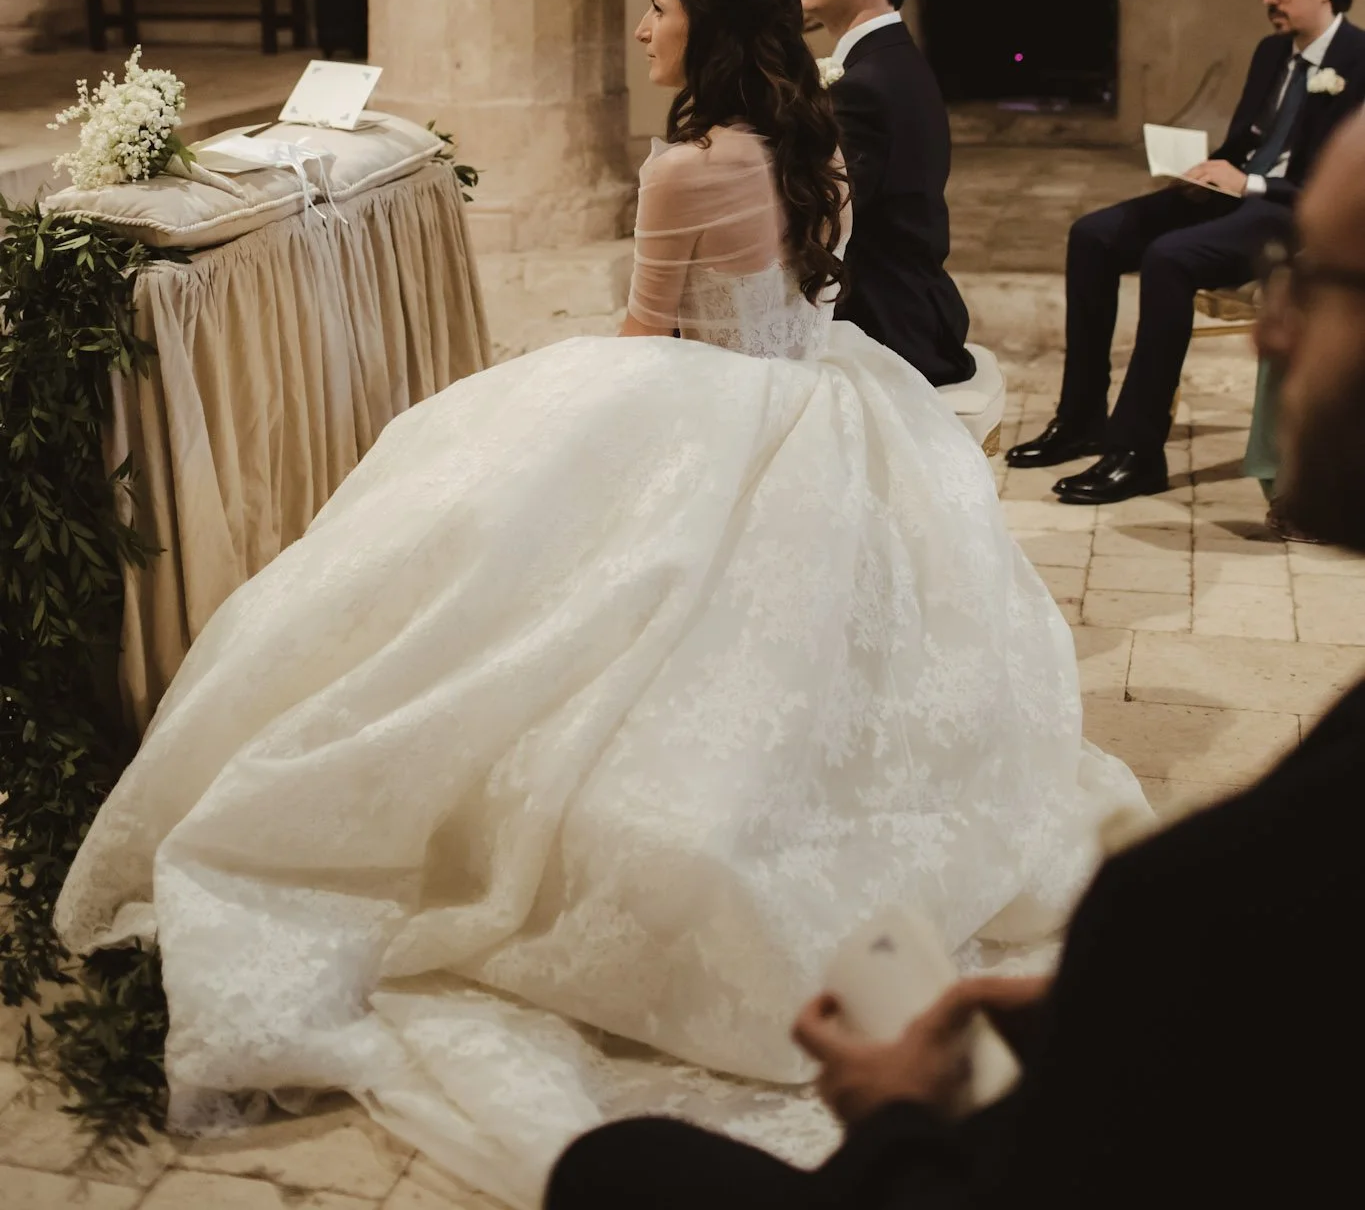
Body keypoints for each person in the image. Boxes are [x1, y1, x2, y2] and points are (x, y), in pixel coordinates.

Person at [57, 0, 1143, 1208]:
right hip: (824, 401)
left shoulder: (684, 162)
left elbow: (646, 334)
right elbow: (789, 303)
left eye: (658, 7)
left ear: (704, 30)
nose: (639, 26)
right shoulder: (811, 143)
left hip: (707, 401)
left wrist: (556, 413)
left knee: (492, 530)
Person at [546, 102, 1365, 1210]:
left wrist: (894, 1115)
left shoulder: (1215, 894)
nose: (1269, 330)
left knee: (611, 1167)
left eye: (1315, 279)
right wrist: (1108, 1017)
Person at [1009, 0, 1365, 503]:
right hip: (1236, 192)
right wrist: (1201, 168)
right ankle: (1080, 420)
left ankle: (1137, 451)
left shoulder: (1360, 58)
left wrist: (1248, 182)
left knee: (1170, 257)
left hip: (1290, 215)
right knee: (1092, 235)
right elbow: (1245, 144)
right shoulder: (1271, 52)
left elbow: (1335, 191)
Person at [793, 0, 974, 386]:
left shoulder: (868, 84)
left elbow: (824, 220)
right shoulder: (887, 61)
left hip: (886, 326)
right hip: (913, 308)